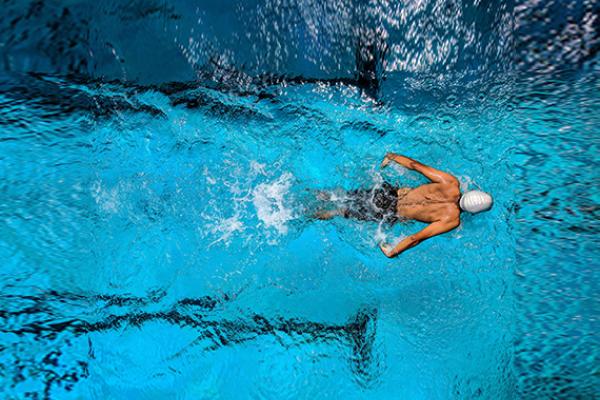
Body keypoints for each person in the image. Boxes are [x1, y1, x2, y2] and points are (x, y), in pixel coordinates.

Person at [314, 153, 493, 258]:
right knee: (339, 211)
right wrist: (393, 252)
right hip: (390, 213)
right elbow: (416, 238)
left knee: (340, 196)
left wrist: (392, 157)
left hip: (388, 193)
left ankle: (315, 193)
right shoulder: (451, 219)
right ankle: (308, 215)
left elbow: (416, 166)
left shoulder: (451, 183)